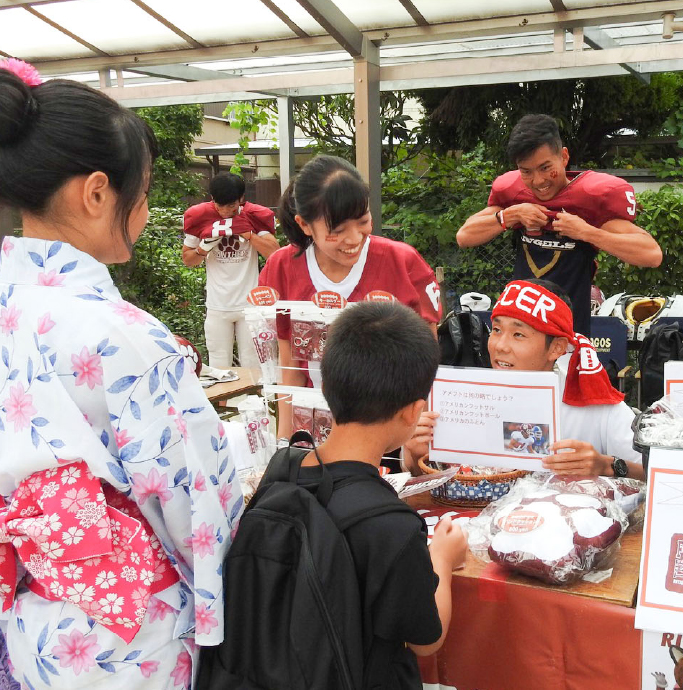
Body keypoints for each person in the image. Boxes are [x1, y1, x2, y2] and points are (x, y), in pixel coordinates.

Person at [0, 59, 240, 688]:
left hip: (25, 617)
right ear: (98, 191)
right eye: (147, 185)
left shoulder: (10, 307)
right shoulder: (122, 336)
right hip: (124, 634)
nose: (147, 204)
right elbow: (197, 503)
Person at [297, 301, 466, 688]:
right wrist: (442, 558)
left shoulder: (282, 473)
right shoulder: (392, 525)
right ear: (414, 412)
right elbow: (427, 641)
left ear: (326, 387)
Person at [260, 156, 442, 439]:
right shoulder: (282, 268)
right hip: (317, 427)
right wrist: (286, 445)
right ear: (305, 225)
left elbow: (427, 363)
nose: (354, 238)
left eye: (363, 221)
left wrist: (416, 436)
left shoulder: (402, 262)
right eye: (338, 230)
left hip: (391, 431)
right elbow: (290, 369)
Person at [405, 279, 644, 479]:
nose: (500, 346)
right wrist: (416, 456)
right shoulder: (461, 398)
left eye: (518, 334)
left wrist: (607, 466)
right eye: (497, 330)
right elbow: (430, 481)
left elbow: (652, 474)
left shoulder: (596, 403)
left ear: (556, 348)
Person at [456, 114, 662, 335]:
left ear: (564, 157)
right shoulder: (513, 193)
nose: (538, 181)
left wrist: (587, 232)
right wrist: (509, 215)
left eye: (545, 168)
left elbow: (652, 254)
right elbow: (464, 237)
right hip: (518, 327)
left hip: (568, 332)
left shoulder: (591, 197)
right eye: (526, 171)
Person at [181, 172, 280, 368]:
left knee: (253, 364)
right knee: (219, 365)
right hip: (217, 305)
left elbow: (274, 253)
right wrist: (204, 247)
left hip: (249, 305)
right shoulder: (200, 216)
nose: (226, 211)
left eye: (232, 205)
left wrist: (249, 235)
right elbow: (188, 259)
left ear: (241, 200)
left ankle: (254, 400)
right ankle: (222, 401)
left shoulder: (253, 215)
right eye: (220, 206)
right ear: (212, 200)